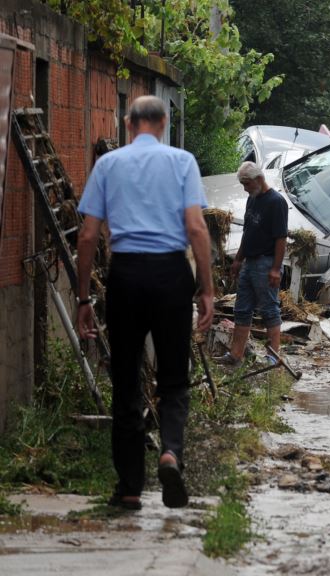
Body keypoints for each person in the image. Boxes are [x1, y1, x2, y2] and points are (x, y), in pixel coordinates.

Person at [76, 95, 214, 510]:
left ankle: (130, 487)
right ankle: (171, 451)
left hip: (126, 276)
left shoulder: (107, 164)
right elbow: (196, 228)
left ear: (128, 122)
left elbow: (86, 236)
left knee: (126, 379)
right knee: (174, 377)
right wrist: (205, 287)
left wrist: (84, 296)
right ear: (164, 122)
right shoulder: (182, 162)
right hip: (172, 275)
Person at [215, 161, 287, 367]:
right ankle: (235, 355)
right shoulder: (252, 199)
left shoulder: (276, 202)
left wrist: (275, 269)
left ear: (258, 179)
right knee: (242, 309)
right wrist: (238, 259)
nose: (245, 188)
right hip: (250, 261)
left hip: (266, 262)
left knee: (269, 309)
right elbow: (248, 232)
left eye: (246, 183)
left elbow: (281, 238)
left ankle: (273, 356)